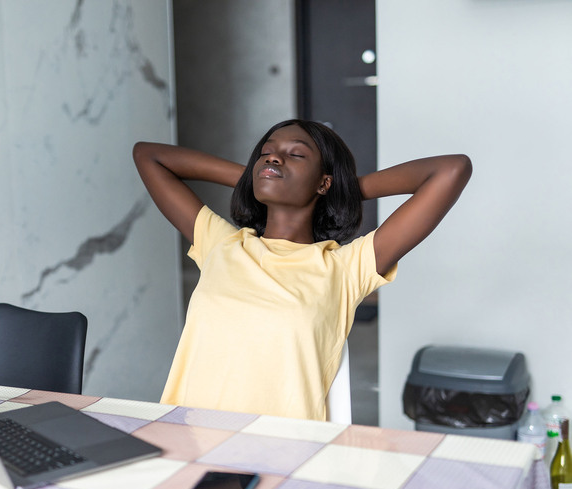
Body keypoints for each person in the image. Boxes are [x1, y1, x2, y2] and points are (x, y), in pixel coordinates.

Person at [133, 119, 471, 421]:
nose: (272, 157)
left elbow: (452, 170)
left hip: (277, 458)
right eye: (265, 153)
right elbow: (148, 156)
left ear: (323, 183)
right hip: (184, 442)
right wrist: (257, 176)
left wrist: (343, 188)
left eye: (296, 154)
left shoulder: (345, 267)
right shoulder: (220, 243)